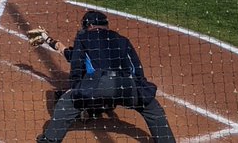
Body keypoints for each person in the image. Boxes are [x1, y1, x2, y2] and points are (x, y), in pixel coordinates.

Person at [33, 11, 175, 143]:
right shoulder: (122, 40)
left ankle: (49, 139)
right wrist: (141, 91)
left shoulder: (83, 38)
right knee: (152, 108)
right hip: (126, 85)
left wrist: (76, 91)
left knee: (65, 102)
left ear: (88, 26)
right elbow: (136, 69)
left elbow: (76, 66)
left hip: (98, 86)